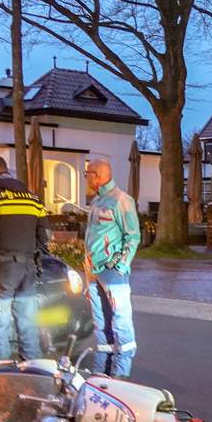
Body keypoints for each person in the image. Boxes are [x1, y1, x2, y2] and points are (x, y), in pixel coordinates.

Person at [0, 155, 50, 361]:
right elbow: (46, 235)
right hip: (29, 269)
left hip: (0, 272)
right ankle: (33, 373)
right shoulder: (32, 197)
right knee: (28, 325)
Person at [83, 159, 141, 377]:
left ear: (97, 175)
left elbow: (132, 236)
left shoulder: (121, 200)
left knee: (120, 320)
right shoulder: (98, 201)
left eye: (87, 173)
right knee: (101, 324)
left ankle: (121, 373)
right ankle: (101, 374)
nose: (86, 177)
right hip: (93, 272)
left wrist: (120, 265)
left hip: (112, 272)